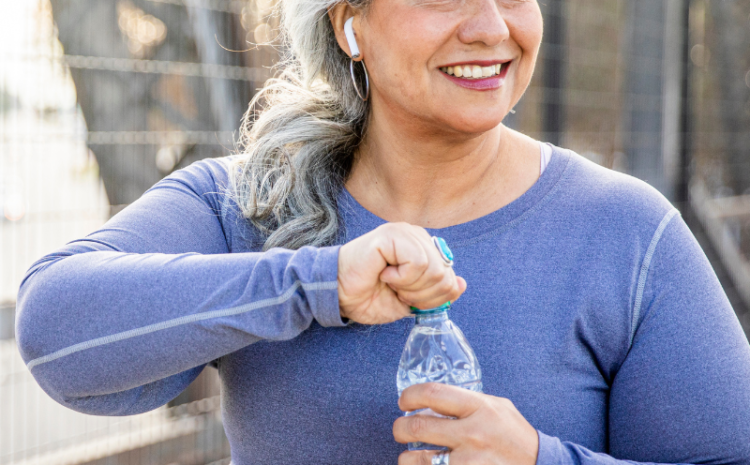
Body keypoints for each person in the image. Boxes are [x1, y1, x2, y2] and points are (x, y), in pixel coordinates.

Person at [15, 0, 750, 464]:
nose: (492, 26)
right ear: (349, 24)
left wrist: (538, 459)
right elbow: (55, 330)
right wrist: (314, 282)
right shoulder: (246, 205)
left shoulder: (629, 234)